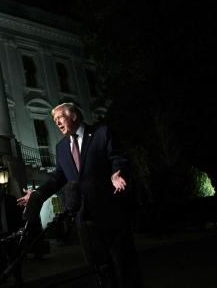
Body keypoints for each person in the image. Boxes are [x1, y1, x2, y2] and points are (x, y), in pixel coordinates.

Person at [17, 102, 143, 288]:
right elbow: (58, 177)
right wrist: (38, 193)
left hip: (111, 213)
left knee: (124, 264)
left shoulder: (101, 133)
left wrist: (117, 173)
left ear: (74, 115)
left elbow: (118, 158)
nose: (57, 123)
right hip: (84, 219)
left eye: (60, 117)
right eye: (54, 120)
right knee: (100, 268)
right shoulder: (61, 147)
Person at [0, 182, 24, 286]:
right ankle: (2, 278)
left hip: (9, 233)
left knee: (14, 256)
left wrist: (18, 230)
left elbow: (18, 215)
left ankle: (18, 278)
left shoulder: (10, 199)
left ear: (3, 190)